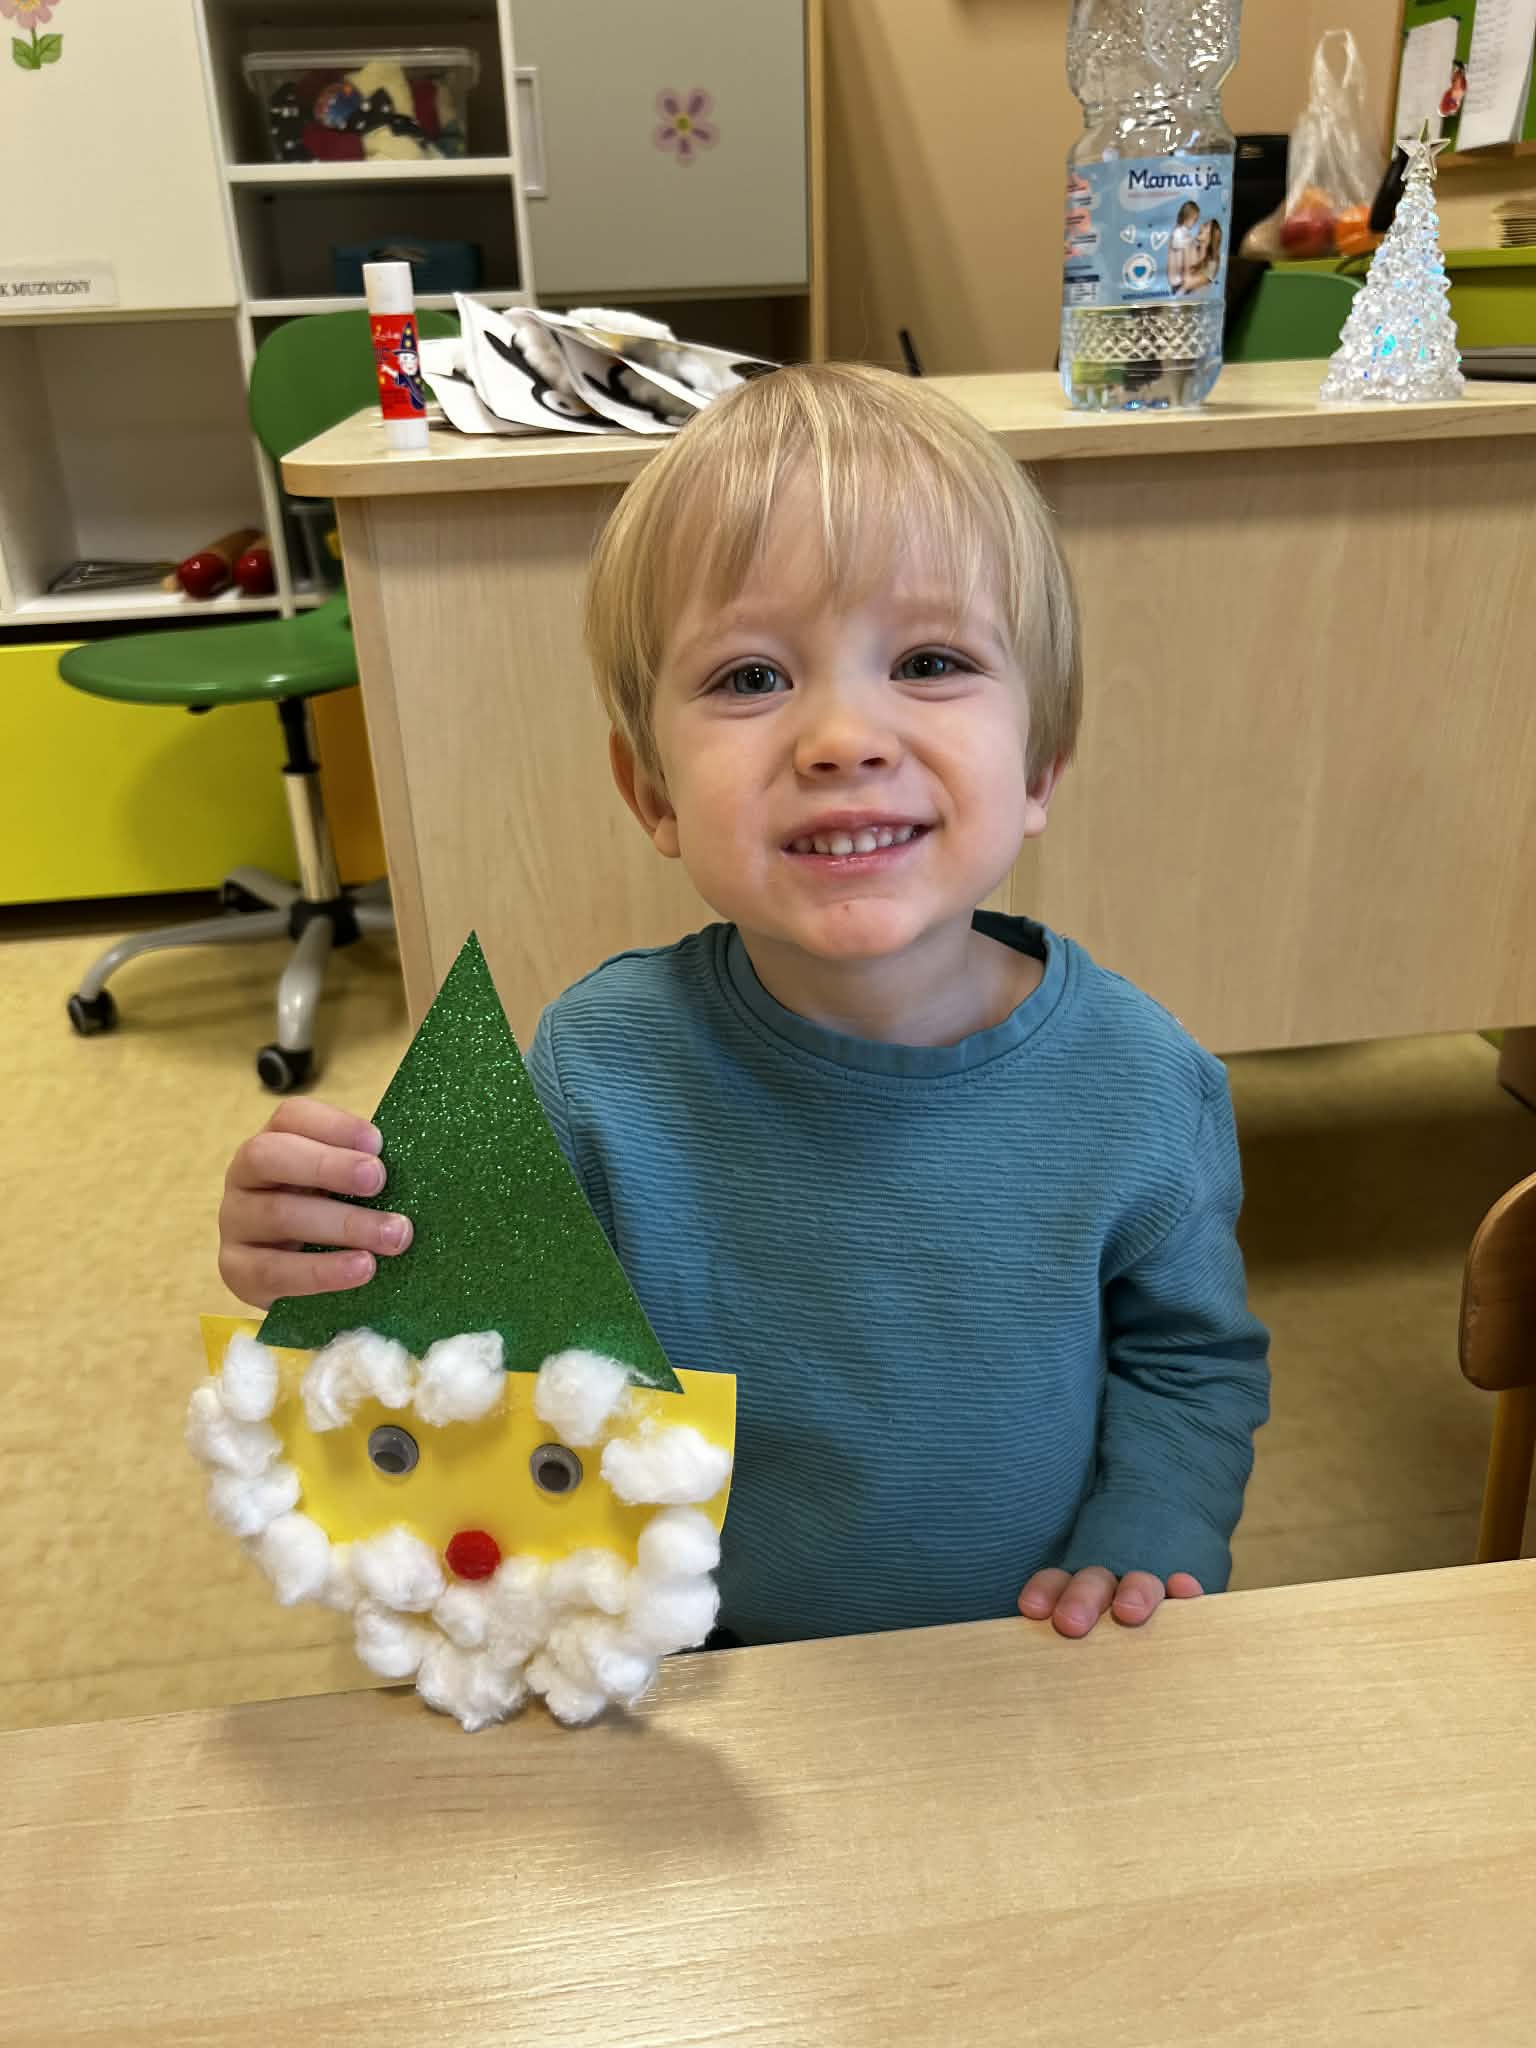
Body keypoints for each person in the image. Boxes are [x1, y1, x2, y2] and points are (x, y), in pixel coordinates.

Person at [219, 365, 1270, 1648]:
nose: (842, 737)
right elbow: (456, 1352)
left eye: (929, 661)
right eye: (752, 676)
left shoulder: (1147, 1080)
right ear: (652, 791)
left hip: (1027, 1664)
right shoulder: (598, 1064)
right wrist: (317, 1253)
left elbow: (1189, 1362)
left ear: (1042, 761)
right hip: (701, 1679)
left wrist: (1151, 1527)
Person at [1169, 198, 1200, 293]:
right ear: (1186, 218)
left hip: (1183, 276)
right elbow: (1175, 244)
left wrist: (1194, 243)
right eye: (1194, 220)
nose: (1194, 223)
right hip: (1177, 278)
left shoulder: (1185, 231)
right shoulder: (1178, 231)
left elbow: (1190, 242)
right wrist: (1188, 242)